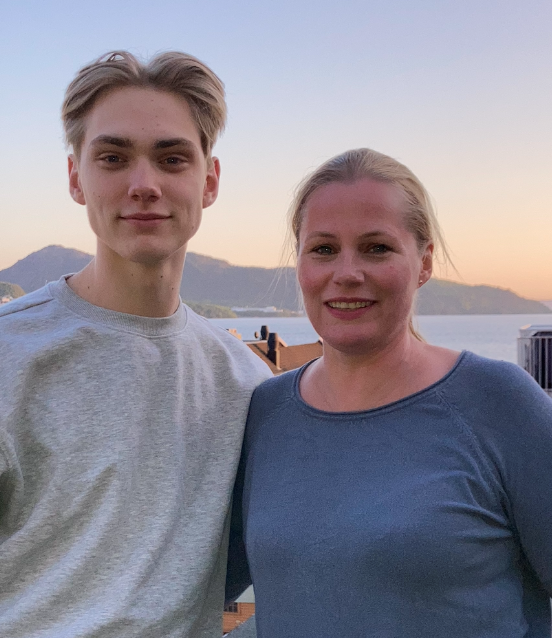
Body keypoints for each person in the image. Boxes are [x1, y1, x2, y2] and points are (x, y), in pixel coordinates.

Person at [0, 51, 271, 638]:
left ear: (208, 181)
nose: (144, 184)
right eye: (113, 158)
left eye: (171, 158)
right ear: (76, 177)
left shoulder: (245, 386)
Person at [227, 148, 552, 637]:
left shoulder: (498, 402)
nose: (346, 273)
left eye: (376, 248)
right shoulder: (264, 414)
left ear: (424, 262)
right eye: (323, 249)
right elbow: (200, 582)